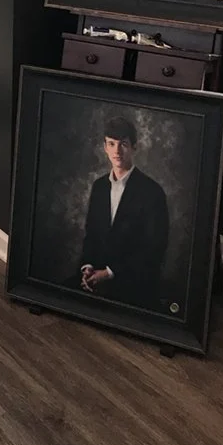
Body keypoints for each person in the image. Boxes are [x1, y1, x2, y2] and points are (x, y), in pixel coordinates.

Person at [78, 117, 169, 310]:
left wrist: (108, 273)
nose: (117, 151)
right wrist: (88, 267)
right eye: (111, 144)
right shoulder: (99, 187)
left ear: (134, 147)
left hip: (134, 282)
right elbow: (92, 234)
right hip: (96, 275)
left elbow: (154, 248)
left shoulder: (152, 192)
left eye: (123, 144)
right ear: (105, 147)